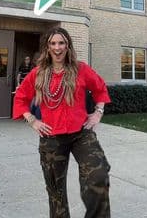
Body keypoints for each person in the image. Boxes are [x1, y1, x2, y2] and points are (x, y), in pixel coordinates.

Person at [13, 27, 111, 218]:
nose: (57, 47)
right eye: (53, 43)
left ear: (68, 46)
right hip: (51, 136)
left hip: (81, 133)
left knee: (98, 176)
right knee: (55, 190)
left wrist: (98, 112)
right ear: (47, 47)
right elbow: (20, 98)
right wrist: (32, 120)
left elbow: (100, 88)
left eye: (61, 43)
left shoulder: (81, 69)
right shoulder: (38, 73)